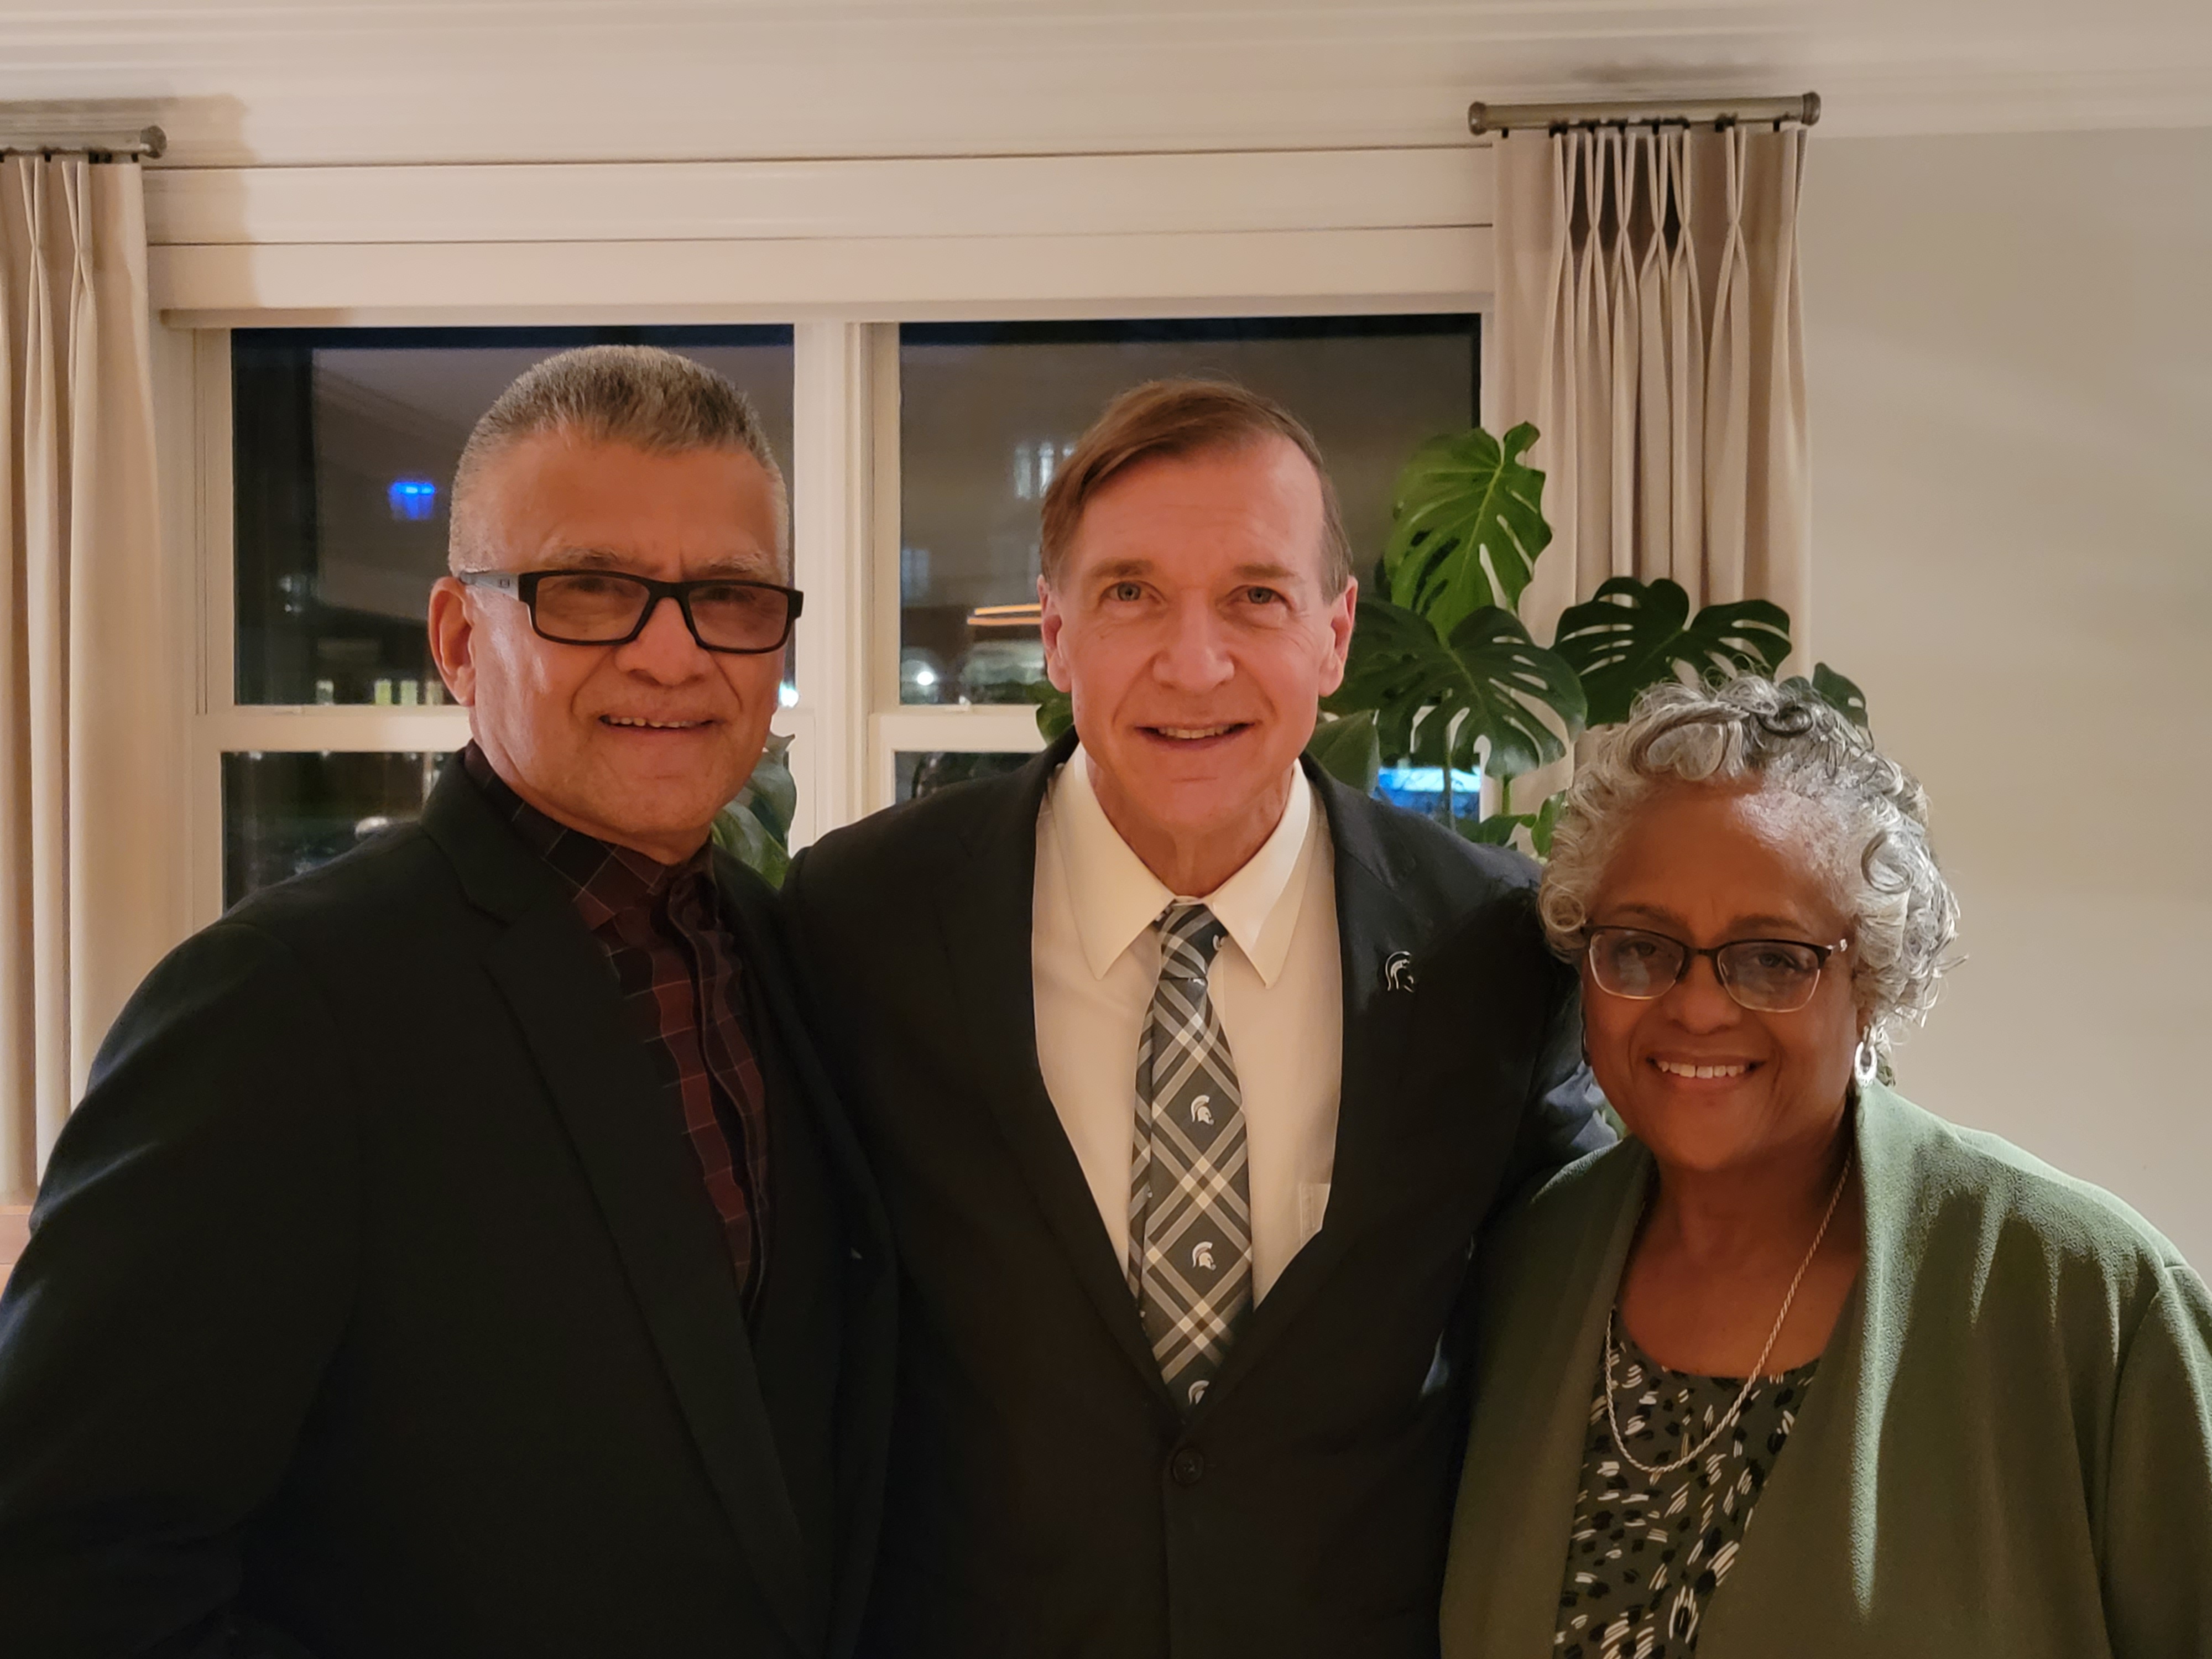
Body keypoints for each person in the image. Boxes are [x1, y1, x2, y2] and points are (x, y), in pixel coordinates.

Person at [0, 347, 894, 1659]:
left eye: (727, 595)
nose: (672, 652)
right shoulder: (281, 1006)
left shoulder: (794, 955)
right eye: (590, 591)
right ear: (458, 640)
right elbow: (61, 1568)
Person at [782, 378, 1610, 1657]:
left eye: (1254, 597)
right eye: (1129, 595)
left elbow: (1561, 1324)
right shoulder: (865, 921)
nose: (1194, 662)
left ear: (1332, 636)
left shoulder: (1494, 946)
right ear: (1054, 636)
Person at [1441, 676, 2212, 1658]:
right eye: (1641, 948)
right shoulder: (1524, 1269)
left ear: (1873, 981)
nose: (1699, 1006)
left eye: (1771, 959)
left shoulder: (2082, 1298)